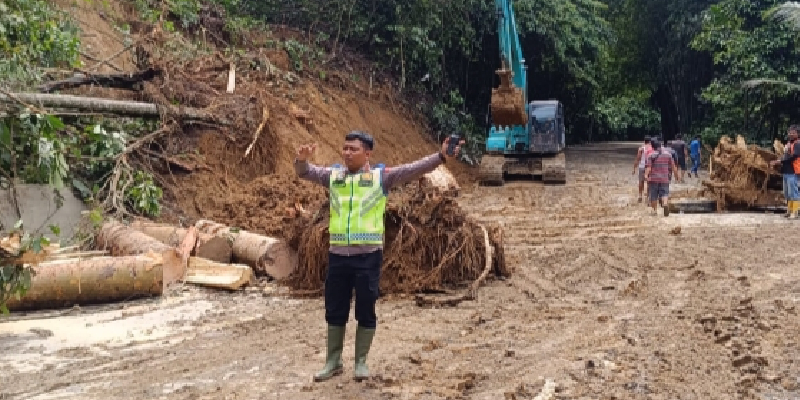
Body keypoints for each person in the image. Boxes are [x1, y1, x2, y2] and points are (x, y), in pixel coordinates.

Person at [294, 130, 464, 382]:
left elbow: (413, 169)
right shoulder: (334, 177)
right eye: (345, 148)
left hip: (368, 257)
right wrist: (301, 160)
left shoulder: (380, 178)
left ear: (367, 154)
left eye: (353, 149)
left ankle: (360, 362)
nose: (347, 153)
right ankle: (333, 361)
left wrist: (440, 156)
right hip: (338, 256)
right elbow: (305, 172)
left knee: (366, 307)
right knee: (335, 309)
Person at [770, 125, 800, 219]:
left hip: (793, 171)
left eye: (793, 132)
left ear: (798, 134)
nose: (791, 134)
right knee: (787, 193)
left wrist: (779, 161)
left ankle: (795, 212)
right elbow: (785, 156)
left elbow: (793, 157)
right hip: (786, 171)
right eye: (790, 132)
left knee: (794, 192)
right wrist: (779, 161)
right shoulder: (788, 144)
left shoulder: (798, 144)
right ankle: (789, 210)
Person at [645, 139, 678, 216]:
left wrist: (646, 175)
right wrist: (676, 176)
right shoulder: (668, 155)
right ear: (661, 146)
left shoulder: (651, 156)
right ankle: (665, 204)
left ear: (653, 147)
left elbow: (649, 168)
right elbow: (673, 167)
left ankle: (654, 211)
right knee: (665, 193)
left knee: (654, 195)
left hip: (654, 179)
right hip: (665, 178)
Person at [632, 136, 653, 203]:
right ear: (650, 142)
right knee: (649, 182)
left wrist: (634, 168)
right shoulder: (652, 148)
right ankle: (648, 197)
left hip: (641, 166)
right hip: (649, 167)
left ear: (644, 141)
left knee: (641, 181)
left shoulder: (641, 148)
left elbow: (638, 159)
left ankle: (640, 195)